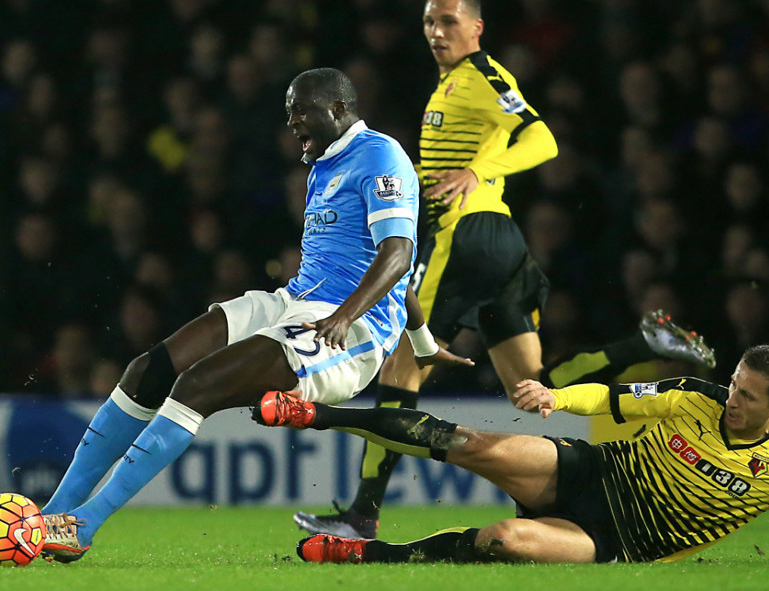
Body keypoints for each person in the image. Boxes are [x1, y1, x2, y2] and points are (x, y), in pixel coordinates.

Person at [294, 0, 716, 540]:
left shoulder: (481, 76)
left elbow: (542, 139)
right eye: (428, 23)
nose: (436, 32)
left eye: (447, 21)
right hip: (502, 244)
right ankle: (643, 346)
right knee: (532, 385)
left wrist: (479, 173)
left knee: (401, 371)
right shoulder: (455, 85)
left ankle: (362, 514)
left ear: (476, 28)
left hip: (464, 236)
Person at [36, 67, 468, 562]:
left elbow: (397, 255)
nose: (292, 121)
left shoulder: (381, 156)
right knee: (147, 371)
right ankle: (54, 513)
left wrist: (347, 318)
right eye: (288, 112)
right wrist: (426, 344)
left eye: (301, 109)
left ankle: (83, 527)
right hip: (297, 302)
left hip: (349, 332)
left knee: (196, 387)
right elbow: (385, 263)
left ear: (341, 109)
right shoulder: (324, 165)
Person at [258, 344, 769, 565]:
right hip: (593, 471)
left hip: (617, 538)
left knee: (505, 541)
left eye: (748, 398)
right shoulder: (694, 394)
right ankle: (317, 413)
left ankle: (367, 558)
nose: (732, 401)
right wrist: (560, 400)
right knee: (469, 443)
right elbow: (613, 401)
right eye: (734, 387)